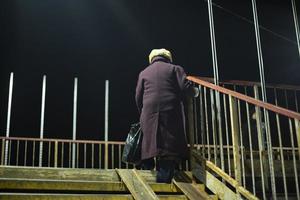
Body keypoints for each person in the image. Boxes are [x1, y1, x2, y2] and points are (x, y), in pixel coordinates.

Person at [135, 48, 192, 183]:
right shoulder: (175, 69)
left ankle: (148, 170)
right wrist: (194, 91)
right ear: (168, 58)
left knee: (149, 143)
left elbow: (138, 97)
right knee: (168, 144)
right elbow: (185, 87)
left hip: (149, 112)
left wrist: (143, 114)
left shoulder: (144, 73)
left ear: (152, 59)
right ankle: (163, 181)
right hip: (170, 110)